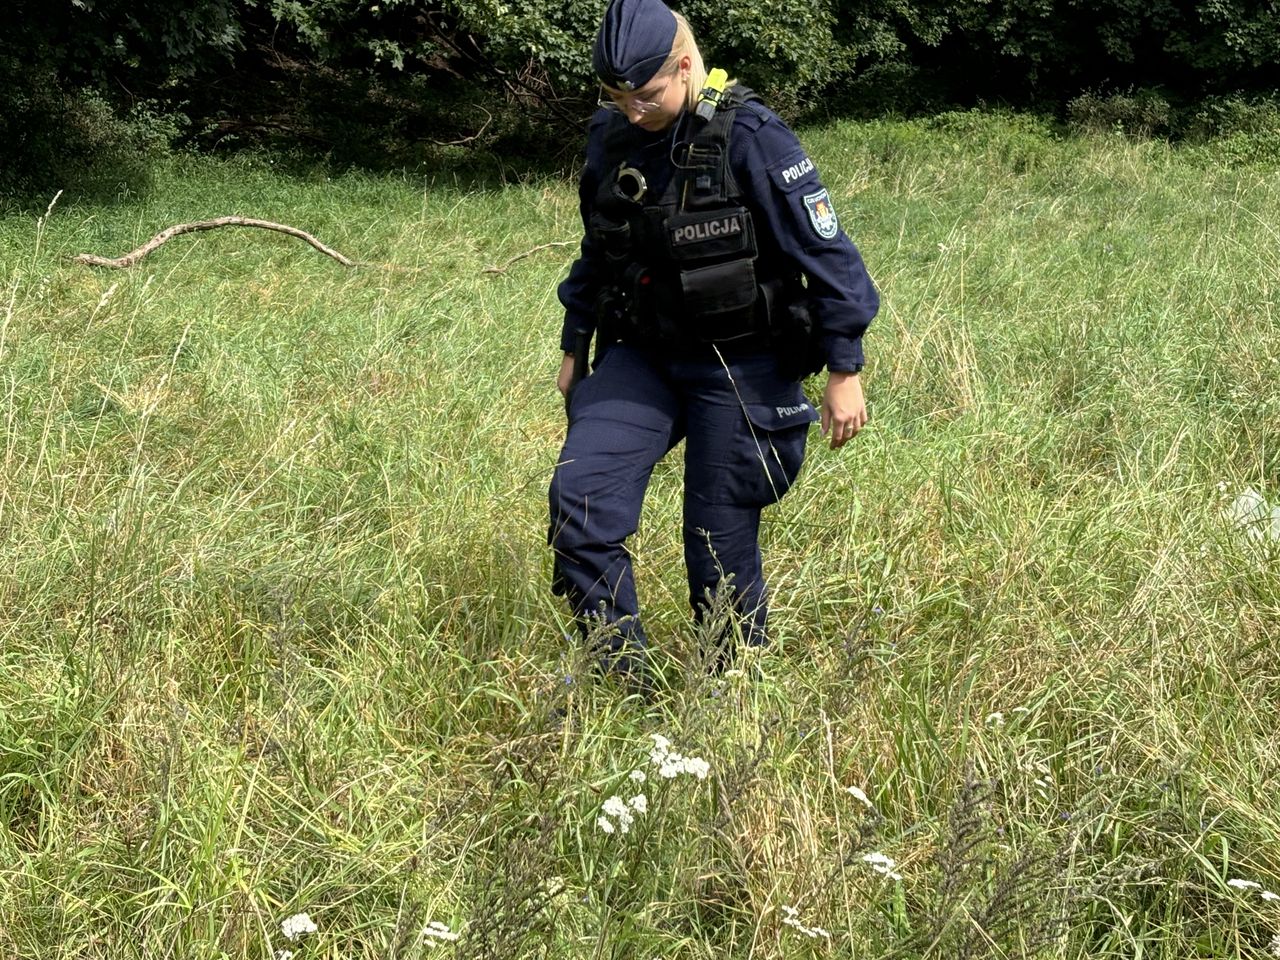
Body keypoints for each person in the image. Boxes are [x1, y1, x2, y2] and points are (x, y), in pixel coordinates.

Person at [548, 0, 879, 681]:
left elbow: (830, 257)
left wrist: (845, 368)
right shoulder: (612, 137)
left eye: (646, 95)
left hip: (741, 361)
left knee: (715, 540)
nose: (632, 111)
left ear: (685, 65)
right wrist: (574, 345)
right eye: (616, 97)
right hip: (643, 355)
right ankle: (622, 681)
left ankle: (729, 689)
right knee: (579, 504)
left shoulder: (751, 136)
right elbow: (597, 250)